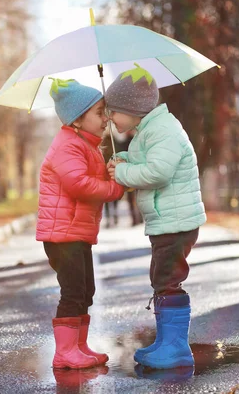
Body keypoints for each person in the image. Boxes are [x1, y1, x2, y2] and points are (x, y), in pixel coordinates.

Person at [105, 63, 206, 369]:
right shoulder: (150, 129)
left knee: (167, 279)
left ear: (132, 108)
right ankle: (166, 342)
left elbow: (159, 171)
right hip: (167, 222)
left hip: (175, 223)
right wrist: (124, 159)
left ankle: (176, 348)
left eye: (113, 111)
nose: (109, 118)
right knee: (162, 278)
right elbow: (144, 159)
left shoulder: (163, 130)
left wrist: (123, 172)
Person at [37, 78, 125, 369]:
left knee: (86, 291)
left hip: (77, 233)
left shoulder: (87, 145)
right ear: (77, 118)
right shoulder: (68, 145)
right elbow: (79, 185)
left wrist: (112, 168)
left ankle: (78, 346)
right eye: (100, 112)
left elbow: (93, 178)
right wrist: (115, 189)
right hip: (62, 235)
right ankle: (64, 352)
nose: (106, 118)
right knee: (73, 291)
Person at [101, 130, 142, 227]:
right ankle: (136, 218)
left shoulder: (114, 142)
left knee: (114, 199)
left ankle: (115, 219)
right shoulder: (118, 142)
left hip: (114, 172)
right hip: (124, 171)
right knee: (132, 198)